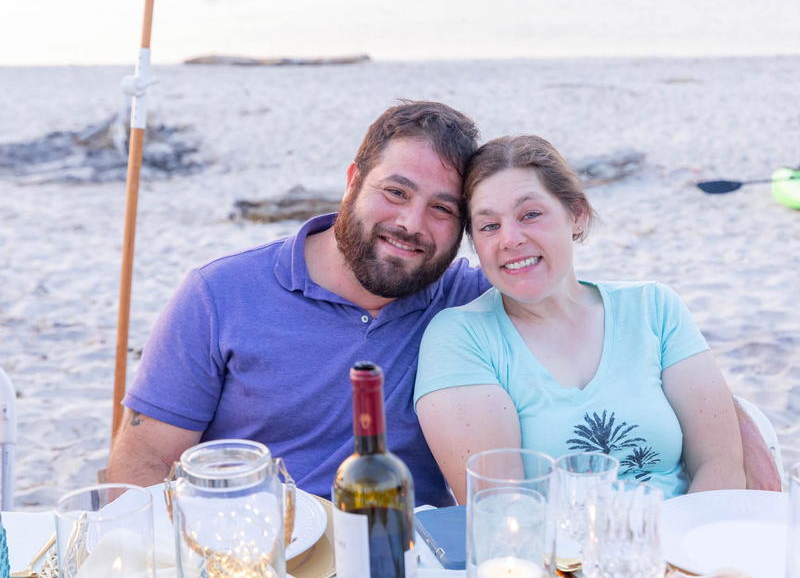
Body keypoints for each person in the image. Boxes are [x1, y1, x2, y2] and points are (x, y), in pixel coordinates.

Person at [106, 100, 488, 506]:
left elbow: (550, 277)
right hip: (260, 551)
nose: (411, 223)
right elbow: (143, 462)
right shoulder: (218, 293)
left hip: (408, 550)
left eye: (442, 209)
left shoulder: (469, 299)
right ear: (353, 181)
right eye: (396, 192)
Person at [414, 135, 749, 504]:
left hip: (687, 546)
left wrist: (686, 557)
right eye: (489, 226)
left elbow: (720, 465)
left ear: (577, 214)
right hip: (559, 559)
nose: (510, 239)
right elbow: (500, 509)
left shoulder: (653, 307)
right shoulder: (462, 338)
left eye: (530, 215)